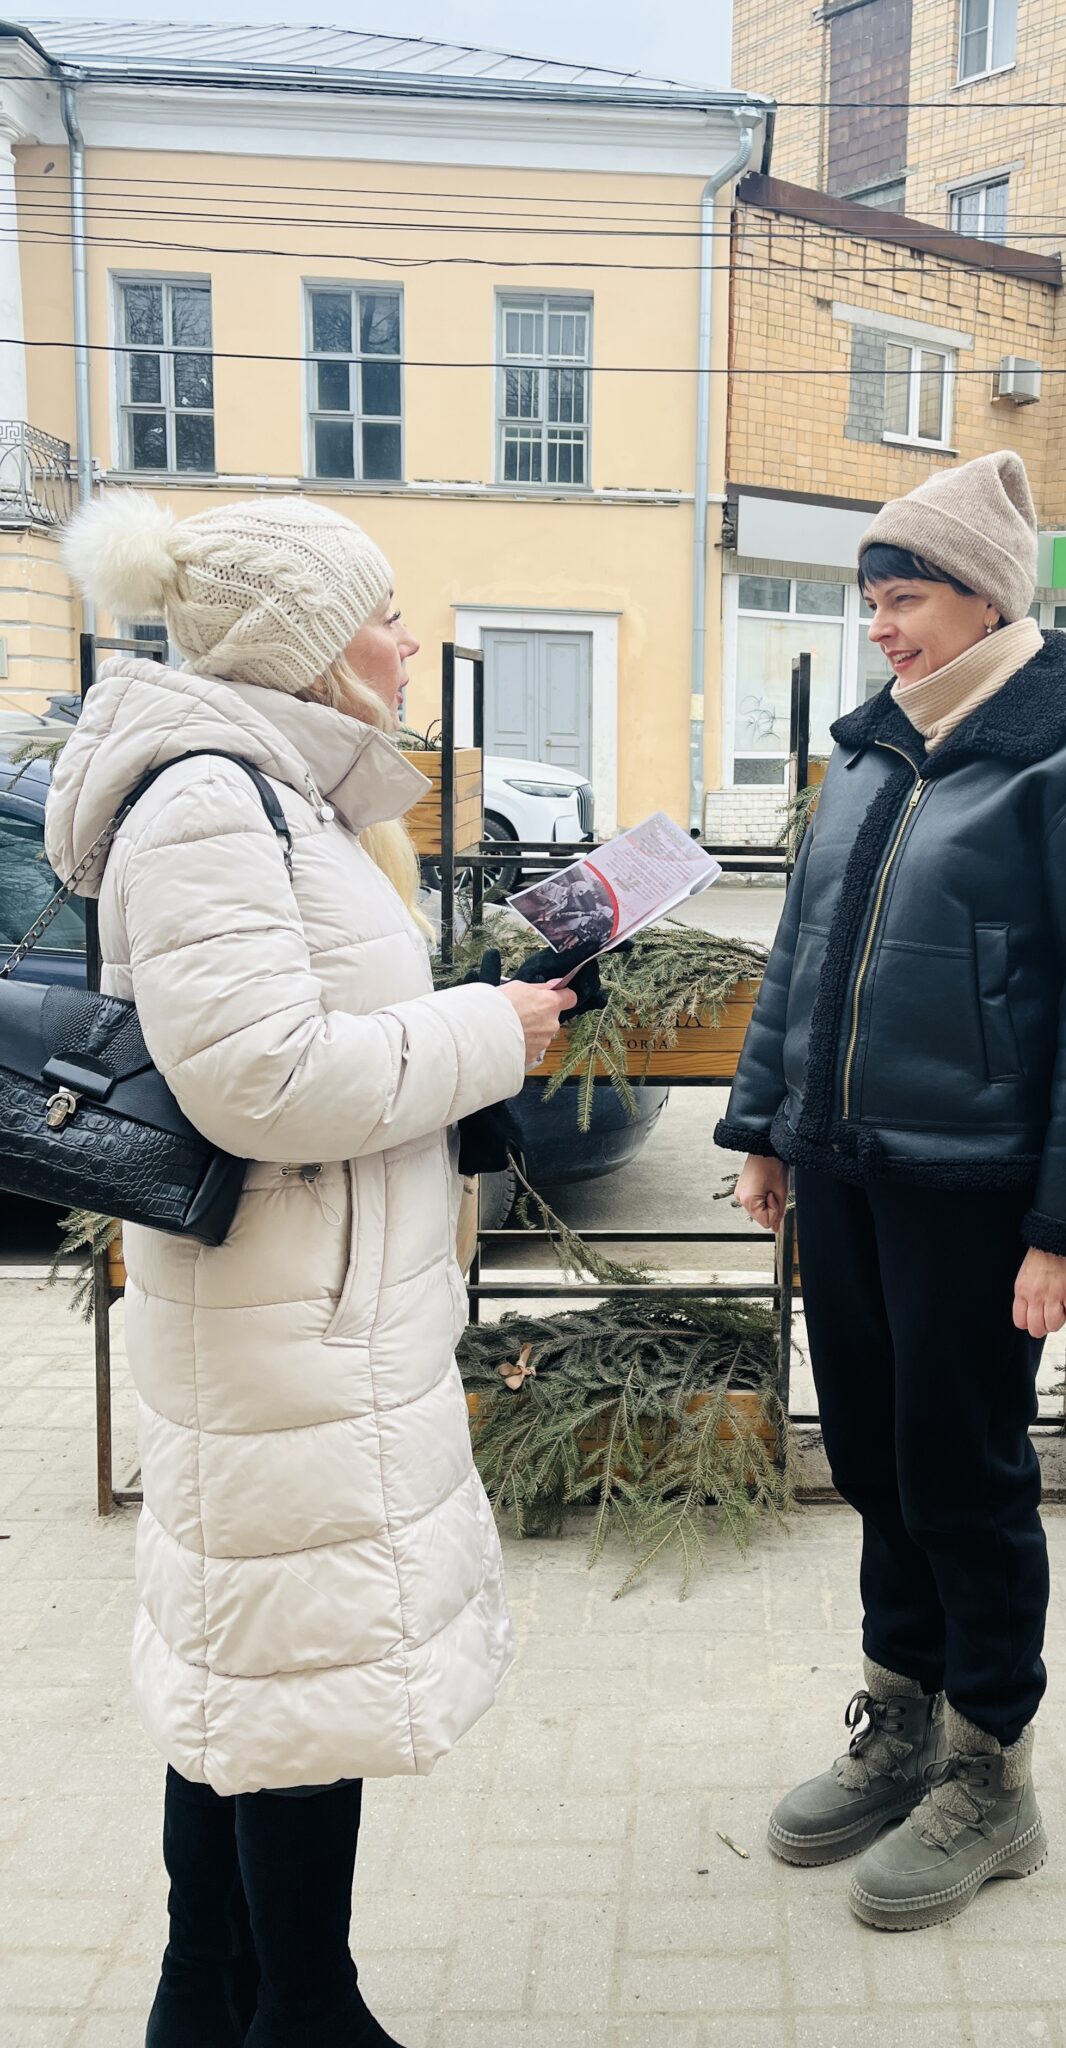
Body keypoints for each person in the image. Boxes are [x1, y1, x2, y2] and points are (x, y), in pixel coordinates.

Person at [46, 490, 575, 2048]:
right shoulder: (214, 800)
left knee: (261, 1670)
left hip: (309, 1310)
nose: (412, 639)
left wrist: (475, 1020)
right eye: (386, 613)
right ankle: (302, 2009)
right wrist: (488, 1032)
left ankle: (212, 1998)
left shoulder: (283, 791)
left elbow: (309, 1034)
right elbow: (258, 1082)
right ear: (310, 643)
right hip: (284, 1326)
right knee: (291, 1678)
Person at [717, 450, 1066, 1929]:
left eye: (903, 598)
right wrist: (766, 1125)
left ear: (986, 598)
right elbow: (800, 956)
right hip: (848, 1173)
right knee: (871, 1454)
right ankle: (900, 1718)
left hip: (977, 1194)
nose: (880, 628)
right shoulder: (871, 751)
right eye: (873, 601)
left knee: (966, 1477)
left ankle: (991, 1771)